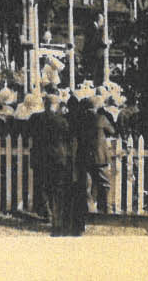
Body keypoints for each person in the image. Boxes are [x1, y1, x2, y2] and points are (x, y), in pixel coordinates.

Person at [28, 94, 82, 236]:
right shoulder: (61, 121)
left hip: (39, 158)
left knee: (42, 187)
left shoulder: (34, 118)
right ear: (56, 105)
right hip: (56, 160)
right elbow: (70, 139)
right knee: (57, 191)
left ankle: (47, 214)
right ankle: (56, 220)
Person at [73, 94, 110, 218]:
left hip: (83, 156)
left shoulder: (79, 119)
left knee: (85, 184)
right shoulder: (101, 118)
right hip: (99, 156)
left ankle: (87, 209)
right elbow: (112, 131)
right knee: (104, 183)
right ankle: (103, 209)